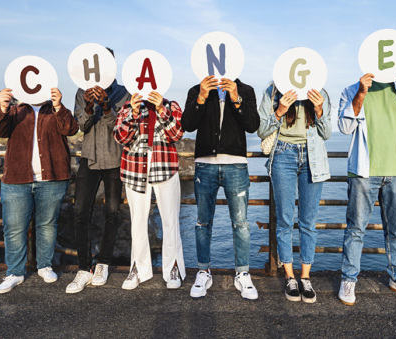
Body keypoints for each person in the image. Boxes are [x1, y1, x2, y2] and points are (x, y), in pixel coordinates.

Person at [337, 71, 396, 306]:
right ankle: (349, 280)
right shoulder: (352, 89)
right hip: (363, 170)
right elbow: (344, 126)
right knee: (356, 229)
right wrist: (361, 93)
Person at [0, 87, 78, 294]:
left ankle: (44, 266)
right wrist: (2, 107)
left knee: (47, 224)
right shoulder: (14, 109)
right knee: (14, 227)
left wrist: (58, 106)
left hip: (53, 177)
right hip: (17, 178)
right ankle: (14, 272)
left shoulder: (54, 108)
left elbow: (71, 129)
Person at [181, 75, 260, 300]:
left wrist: (237, 98)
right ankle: (204, 271)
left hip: (236, 164)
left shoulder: (246, 89)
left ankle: (242, 273)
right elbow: (187, 124)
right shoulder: (196, 89)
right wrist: (201, 98)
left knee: (241, 223)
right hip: (205, 164)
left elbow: (253, 125)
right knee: (202, 222)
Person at [257, 84, 331, 303]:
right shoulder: (272, 91)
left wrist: (319, 109)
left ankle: (305, 277)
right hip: (282, 154)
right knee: (284, 220)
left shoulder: (320, 91)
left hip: (312, 156)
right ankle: (290, 277)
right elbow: (261, 130)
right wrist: (279, 111)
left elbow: (326, 133)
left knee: (308, 221)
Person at [66, 50, 131, 293]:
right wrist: (91, 104)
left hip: (115, 159)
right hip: (89, 159)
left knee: (112, 214)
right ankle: (84, 268)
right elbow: (81, 125)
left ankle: (103, 263)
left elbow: (120, 127)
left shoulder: (124, 93)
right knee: (81, 212)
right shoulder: (82, 91)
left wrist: (106, 105)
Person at [113, 90, 186, 290]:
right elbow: (121, 138)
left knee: (170, 220)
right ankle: (138, 268)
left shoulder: (171, 106)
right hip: (135, 168)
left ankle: (173, 267)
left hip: (165, 167)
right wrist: (134, 113)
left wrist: (162, 109)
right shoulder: (128, 107)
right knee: (137, 221)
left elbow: (177, 134)